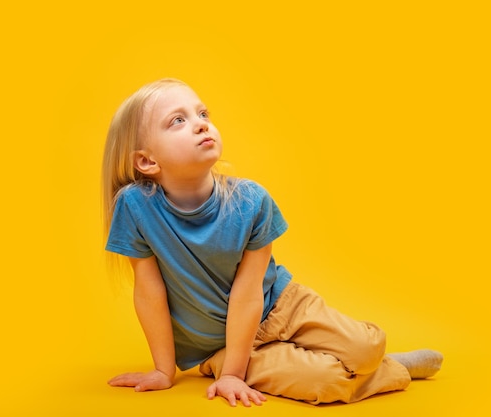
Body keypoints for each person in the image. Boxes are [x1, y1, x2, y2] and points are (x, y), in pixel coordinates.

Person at [101, 78, 443, 407]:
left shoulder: (251, 201)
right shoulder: (135, 207)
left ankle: (374, 360)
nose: (201, 124)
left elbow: (249, 290)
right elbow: (148, 290)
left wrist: (235, 374)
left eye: (203, 114)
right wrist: (167, 370)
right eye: (178, 120)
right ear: (147, 161)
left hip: (281, 306)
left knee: (368, 347)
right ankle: (394, 371)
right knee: (326, 383)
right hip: (222, 347)